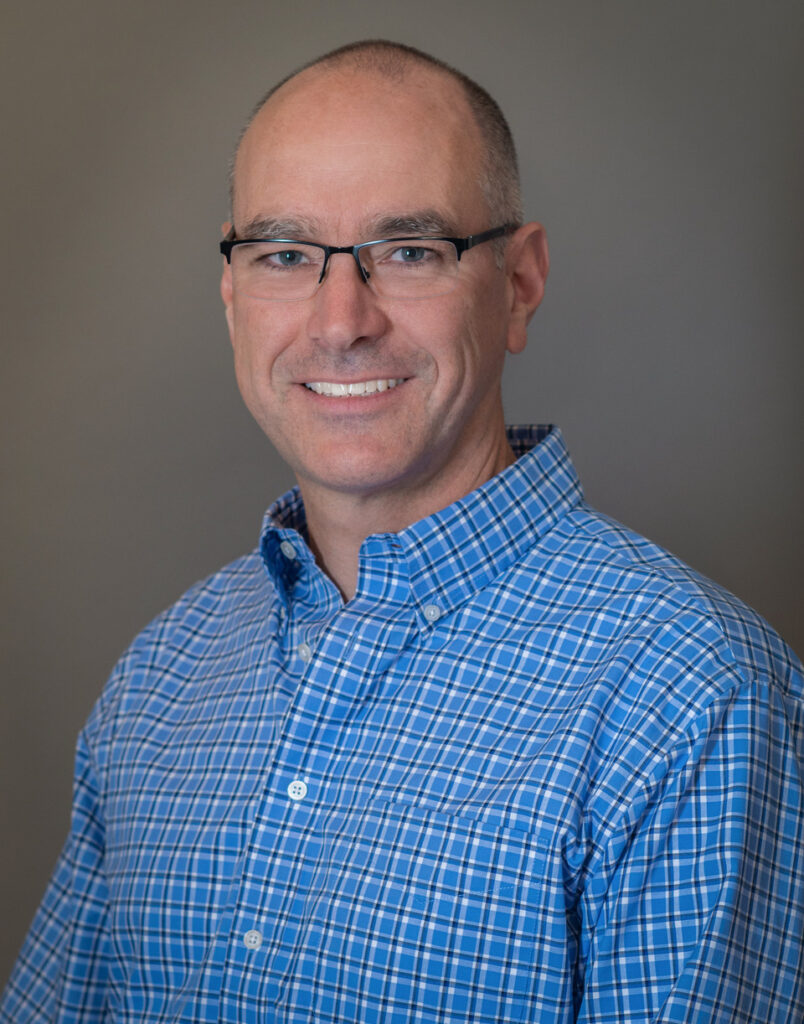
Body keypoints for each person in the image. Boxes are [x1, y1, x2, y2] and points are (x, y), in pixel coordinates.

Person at [2, 38, 802, 1024]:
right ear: (232, 296)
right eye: (285, 255)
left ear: (519, 283)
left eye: (409, 251)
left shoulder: (688, 697)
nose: (341, 321)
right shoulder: (159, 684)